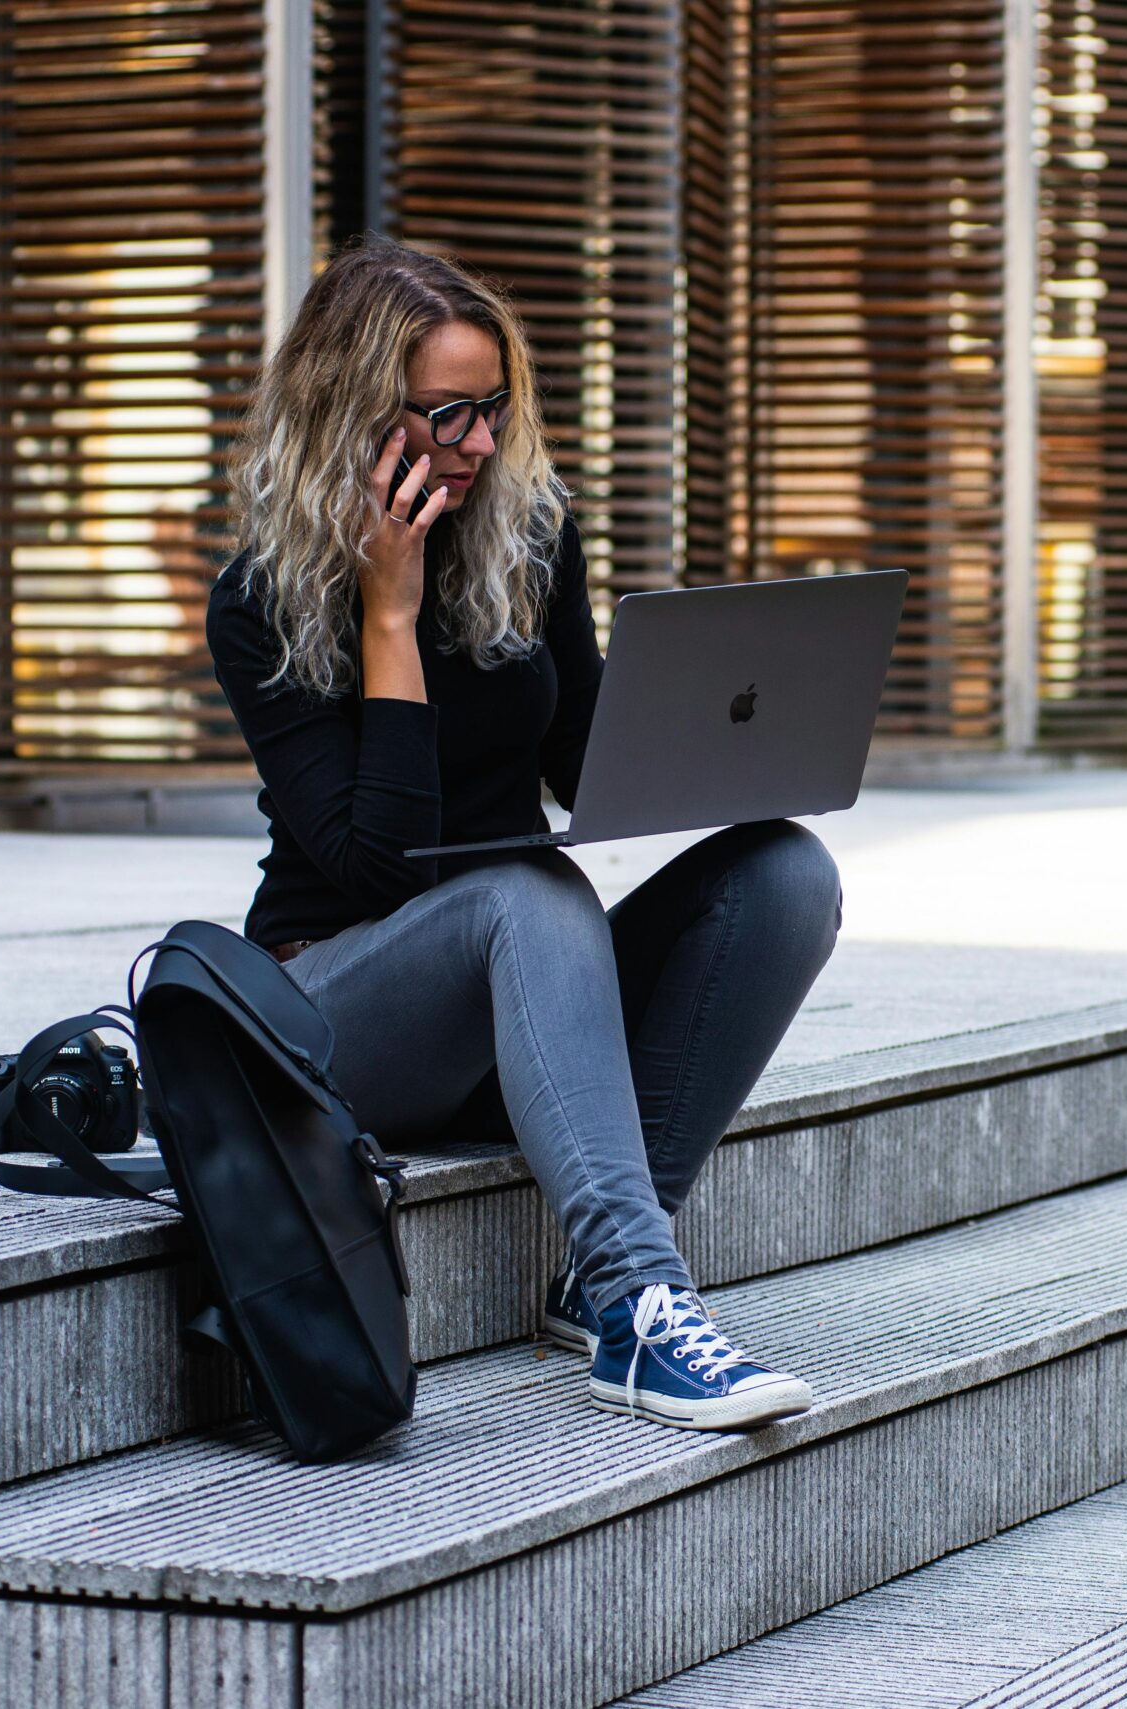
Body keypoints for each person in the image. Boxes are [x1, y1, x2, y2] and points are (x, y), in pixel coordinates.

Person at [205, 238, 841, 1432]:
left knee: (784, 875)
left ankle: (593, 1274)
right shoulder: (260, 601)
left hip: (511, 1006)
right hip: (339, 1017)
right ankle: (639, 1306)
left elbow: (577, 767)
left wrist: (729, 735)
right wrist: (388, 612)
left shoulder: (529, 539)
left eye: (494, 408)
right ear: (355, 415)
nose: (484, 444)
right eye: (450, 416)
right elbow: (373, 867)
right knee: (529, 892)